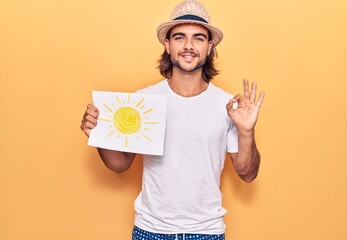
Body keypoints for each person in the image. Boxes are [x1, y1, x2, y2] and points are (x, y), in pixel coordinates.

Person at [80, 0, 265, 239]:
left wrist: (247, 132)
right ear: (167, 45)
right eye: (179, 37)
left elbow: (247, 174)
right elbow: (120, 164)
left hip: (206, 232)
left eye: (198, 38)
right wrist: (99, 132)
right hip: (151, 230)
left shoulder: (229, 106)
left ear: (209, 47)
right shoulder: (143, 101)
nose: (189, 45)